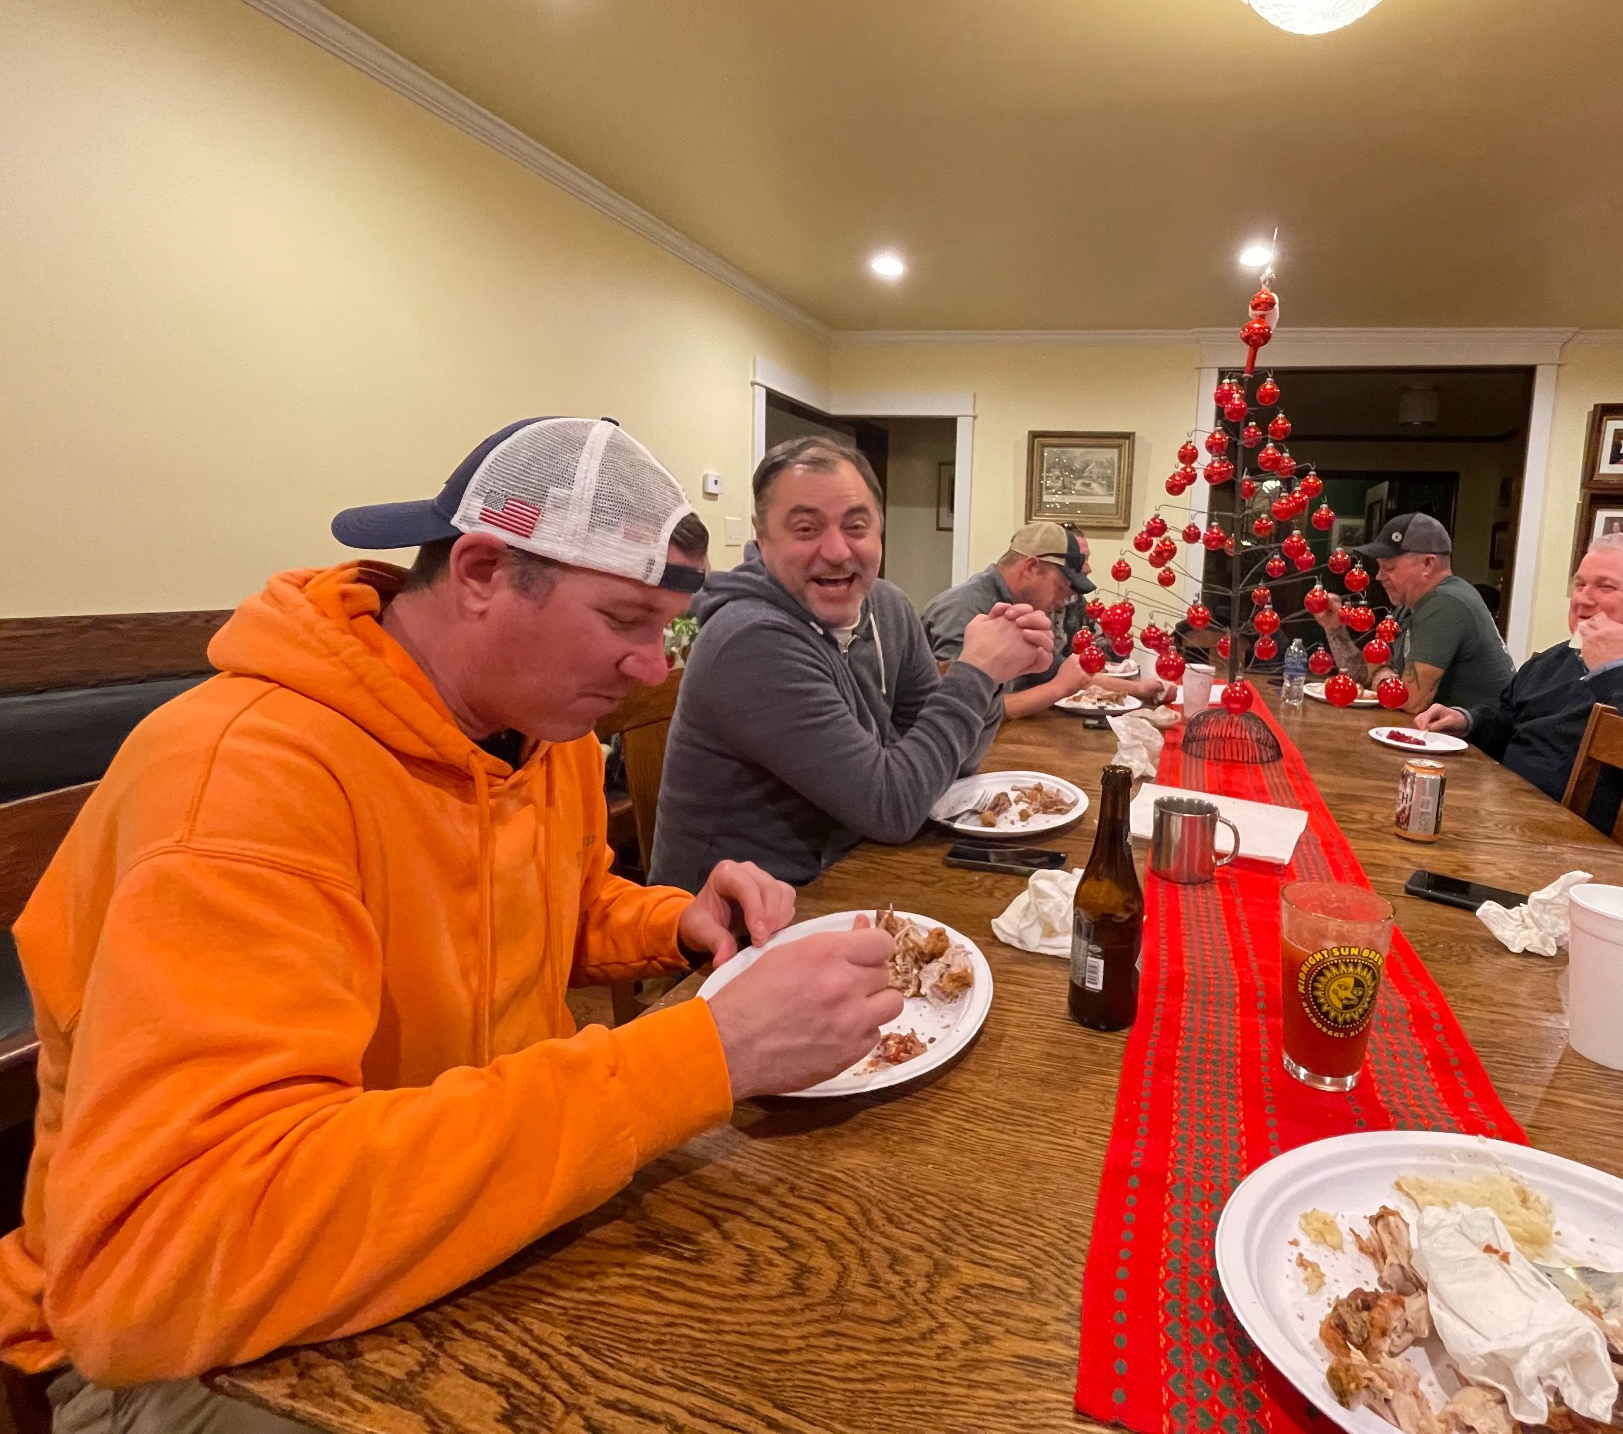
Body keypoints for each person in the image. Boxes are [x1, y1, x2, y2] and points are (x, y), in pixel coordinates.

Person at [2, 418, 907, 1430]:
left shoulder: (534, 722)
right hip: (200, 1354)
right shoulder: (238, 787)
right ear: (480, 570)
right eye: (623, 621)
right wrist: (702, 1056)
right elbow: (157, 1273)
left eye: (666, 630)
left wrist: (672, 923)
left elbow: (541, 911)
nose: (653, 669)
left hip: (482, 1215)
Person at [650, 437, 1052, 890]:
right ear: (761, 537)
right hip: (730, 932)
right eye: (806, 529)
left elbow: (947, 767)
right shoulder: (750, 639)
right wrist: (977, 671)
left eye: (856, 526)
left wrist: (992, 678)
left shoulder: (888, 607)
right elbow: (893, 807)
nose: (838, 551)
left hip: (848, 876)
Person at [1415, 531, 1623, 832]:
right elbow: (1510, 722)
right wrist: (1467, 720)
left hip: (1614, 850)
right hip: (1511, 816)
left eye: (1604, 587)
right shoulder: (1557, 658)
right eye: (1580, 584)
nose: (1582, 599)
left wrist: (1613, 670)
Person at [923, 523, 1170, 735]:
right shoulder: (965, 610)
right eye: (1063, 585)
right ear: (1031, 568)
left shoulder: (1022, 608)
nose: (1066, 598)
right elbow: (962, 710)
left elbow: (1065, 672)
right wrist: (1057, 689)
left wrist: (1138, 690)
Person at [1325, 514, 1512, 714]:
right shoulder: (1409, 605)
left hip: (1476, 742)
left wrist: (1381, 674)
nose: (1379, 577)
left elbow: (1410, 701)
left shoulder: (1446, 603)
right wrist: (1333, 626)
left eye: (1390, 567)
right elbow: (1364, 673)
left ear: (1428, 564)